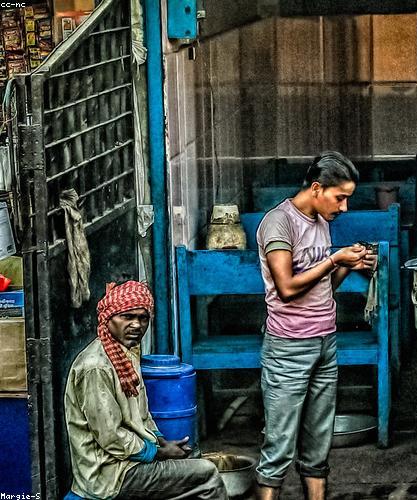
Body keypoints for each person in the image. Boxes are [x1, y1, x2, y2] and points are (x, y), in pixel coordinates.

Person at [255, 151, 375, 500]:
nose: (344, 208)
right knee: (278, 445)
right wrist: (334, 259)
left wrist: (347, 266)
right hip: (288, 347)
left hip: (325, 341)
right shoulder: (278, 222)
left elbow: (322, 286)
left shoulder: (321, 221)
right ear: (317, 188)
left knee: (318, 445)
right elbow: (288, 288)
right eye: (340, 198)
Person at [64, 280, 227, 500]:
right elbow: (111, 436)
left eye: (142, 318)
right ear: (108, 318)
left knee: (192, 456)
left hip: (129, 459)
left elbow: (141, 414)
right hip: (110, 474)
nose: (136, 325)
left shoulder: (126, 352)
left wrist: (161, 441)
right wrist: (158, 452)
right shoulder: (95, 367)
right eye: (127, 317)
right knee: (207, 475)